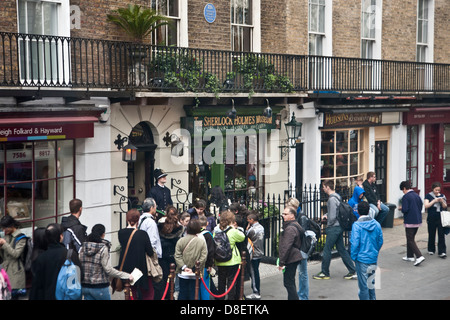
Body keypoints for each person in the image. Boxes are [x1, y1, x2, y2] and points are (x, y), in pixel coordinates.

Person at [314, 180, 356, 280]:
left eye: (323, 187)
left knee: (327, 249)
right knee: (341, 249)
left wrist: (328, 224)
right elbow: (336, 212)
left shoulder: (331, 200)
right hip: (339, 226)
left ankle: (325, 272)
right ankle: (352, 270)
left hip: (334, 228)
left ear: (328, 187)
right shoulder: (337, 197)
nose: (323, 188)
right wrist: (326, 215)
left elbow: (332, 217)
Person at [79, 224, 133, 300]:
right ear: (103, 234)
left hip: (85, 286)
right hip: (100, 286)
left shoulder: (82, 248)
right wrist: (125, 275)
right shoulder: (103, 248)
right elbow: (108, 269)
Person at [29, 223, 81, 300]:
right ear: (61, 236)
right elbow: (79, 276)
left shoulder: (41, 257)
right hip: (66, 296)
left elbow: (37, 285)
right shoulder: (70, 254)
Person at [118, 209, 155, 300]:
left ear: (127, 219)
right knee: (147, 292)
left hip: (126, 266)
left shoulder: (121, 233)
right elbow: (150, 251)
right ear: (138, 220)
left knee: (130, 292)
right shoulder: (142, 234)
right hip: (140, 266)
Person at [350, 201, 383, 300]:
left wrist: (354, 257)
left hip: (361, 259)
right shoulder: (376, 224)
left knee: (363, 287)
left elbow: (355, 243)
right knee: (371, 285)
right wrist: (375, 251)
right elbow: (380, 241)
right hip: (372, 258)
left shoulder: (356, 225)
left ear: (358, 212)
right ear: (369, 211)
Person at [215, 210, 245, 300]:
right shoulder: (232, 231)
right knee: (231, 282)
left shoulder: (216, 230)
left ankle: (221, 298)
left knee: (221, 282)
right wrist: (234, 228)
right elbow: (242, 237)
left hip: (220, 260)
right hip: (232, 260)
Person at [174, 219, 208, 300]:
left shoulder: (181, 241)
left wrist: (184, 267)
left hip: (183, 272)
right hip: (196, 272)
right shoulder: (201, 241)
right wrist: (195, 267)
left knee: (182, 293)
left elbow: (177, 255)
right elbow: (204, 256)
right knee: (194, 294)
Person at [156, 205, 184, 300]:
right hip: (172, 254)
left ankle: (165, 296)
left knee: (164, 278)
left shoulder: (160, 225)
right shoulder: (178, 227)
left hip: (163, 254)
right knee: (172, 278)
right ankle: (170, 296)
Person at [278, 206, 303, 300]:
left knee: (288, 283)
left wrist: (281, 262)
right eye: (283, 214)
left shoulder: (290, 229)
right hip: (294, 257)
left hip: (291, 258)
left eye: (285, 214)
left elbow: (286, 246)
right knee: (290, 282)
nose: (283, 216)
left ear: (292, 215)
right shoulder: (295, 225)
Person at [286, 197, 308, 300]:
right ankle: (300, 294)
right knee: (300, 273)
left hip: (301, 249)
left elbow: (301, 234)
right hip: (298, 249)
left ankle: (303, 296)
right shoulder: (298, 215)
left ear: (294, 206)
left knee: (303, 273)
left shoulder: (301, 217)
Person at [0, 215, 27, 299]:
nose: (4, 231)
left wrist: (4, 244)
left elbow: (16, 254)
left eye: (5, 228)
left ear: (12, 226)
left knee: (13, 296)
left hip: (15, 272)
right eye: (2, 228)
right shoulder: (6, 236)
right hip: (5, 270)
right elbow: (3, 255)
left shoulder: (21, 237)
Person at [399, 180, 425, 266]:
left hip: (410, 220)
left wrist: (401, 208)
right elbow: (421, 205)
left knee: (410, 239)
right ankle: (409, 256)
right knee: (411, 237)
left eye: (403, 190)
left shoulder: (406, 197)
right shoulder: (417, 195)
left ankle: (419, 256)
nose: (403, 192)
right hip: (417, 219)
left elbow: (405, 209)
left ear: (404, 188)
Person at [424, 182, 447, 258]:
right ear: (432, 189)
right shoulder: (428, 195)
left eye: (438, 190)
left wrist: (442, 201)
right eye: (436, 190)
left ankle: (442, 251)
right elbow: (426, 205)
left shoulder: (442, 196)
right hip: (431, 217)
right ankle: (431, 249)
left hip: (440, 217)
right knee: (431, 233)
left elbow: (445, 206)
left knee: (441, 234)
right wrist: (434, 200)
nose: (437, 192)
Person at [245, 211, 264, 300]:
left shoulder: (252, 230)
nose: (247, 221)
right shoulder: (261, 227)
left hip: (254, 253)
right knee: (256, 271)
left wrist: (247, 229)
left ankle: (256, 291)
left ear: (252, 220)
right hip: (260, 252)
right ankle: (256, 290)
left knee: (253, 273)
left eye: (248, 220)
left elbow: (245, 237)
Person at [198, 215, 215, 300]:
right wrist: (210, 264)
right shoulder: (208, 235)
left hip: (197, 263)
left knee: (197, 286)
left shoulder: (196, 234)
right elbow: (211, 251)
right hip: (205, 264)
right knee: (205, 286)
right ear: (207, 223)